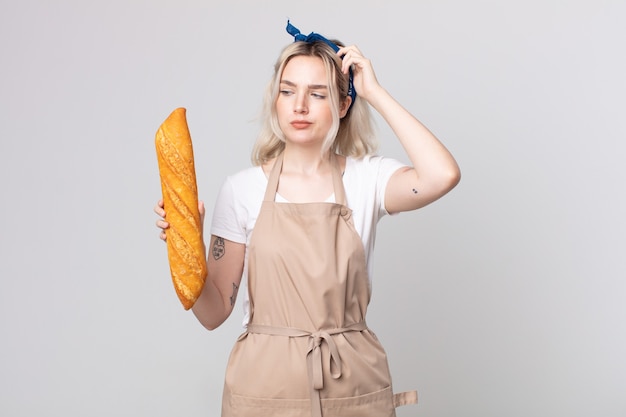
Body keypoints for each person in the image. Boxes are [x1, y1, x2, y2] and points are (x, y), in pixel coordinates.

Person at [155, 21, 460, 417]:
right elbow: (213, 314)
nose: (299, 106)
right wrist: (188, 246)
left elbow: (443, 175)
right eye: (287, 91)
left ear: (344, 104)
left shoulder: (367, 179)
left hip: (352, 386)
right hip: (263, 391)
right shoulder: (241, 190)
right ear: (275, 100)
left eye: (317, 94)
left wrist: (375, 93)